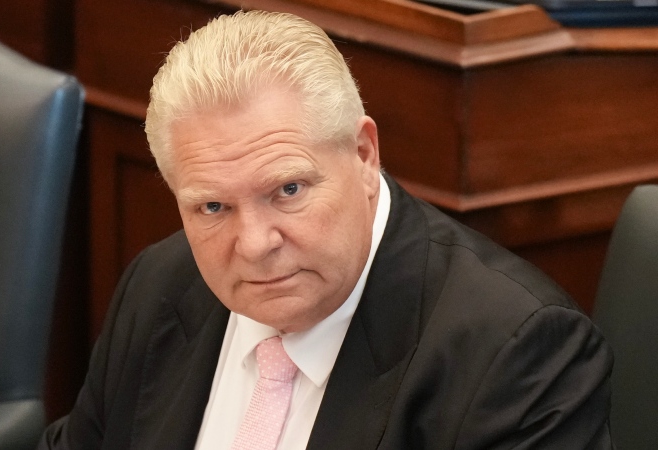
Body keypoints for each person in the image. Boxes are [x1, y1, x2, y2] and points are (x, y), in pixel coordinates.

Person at [39, 10, 613, 449]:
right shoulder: (159, 287)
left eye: (287, 191)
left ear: (364, 155)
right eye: (213, 207)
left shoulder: (517, 354)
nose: (255, 245)